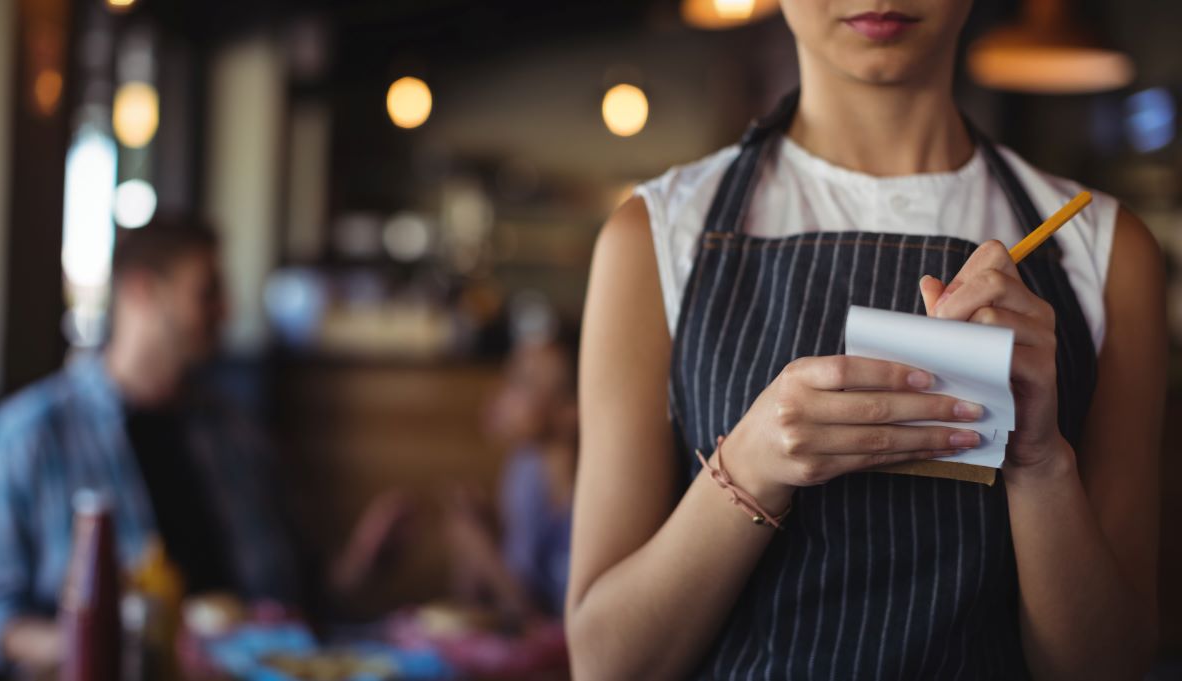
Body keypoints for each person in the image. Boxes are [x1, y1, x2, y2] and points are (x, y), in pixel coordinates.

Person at [567, 2, 1164, 680]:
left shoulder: (1107, 252)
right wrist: (754, 460)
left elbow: (1108, 664)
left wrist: (1039, 461)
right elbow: (605, 661)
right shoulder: (654, 237)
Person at [0, 218, 404, 676]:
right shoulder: (31, 435)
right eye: (208, 292)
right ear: (142, 290)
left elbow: (302, 593)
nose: (226, 310)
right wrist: (83, 641)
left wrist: (360, 567)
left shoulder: (237, 432)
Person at [445, 327, 578, 620]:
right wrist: (477, 540)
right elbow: (485, 609)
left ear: (572, 409)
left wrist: (485, 555)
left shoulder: (597, 495)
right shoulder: (524, 471)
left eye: (523, 382)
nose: (501, 395)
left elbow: (543, 624)